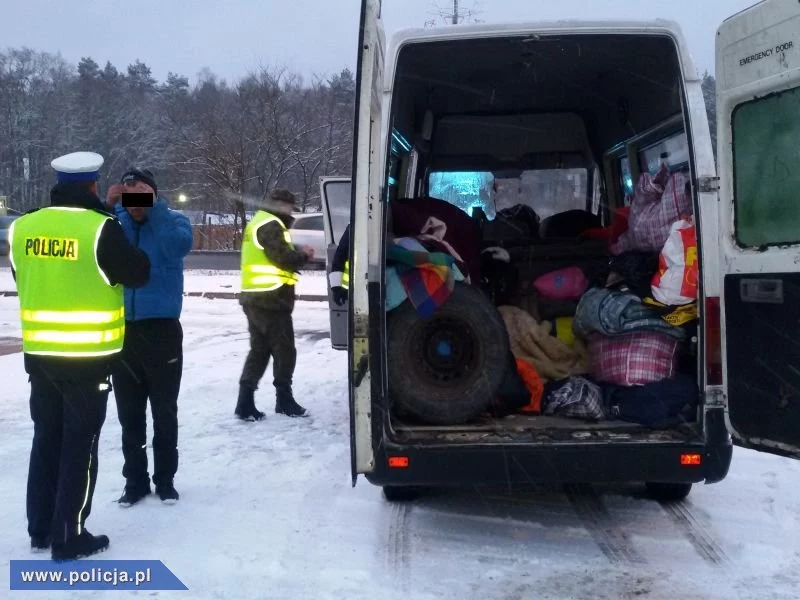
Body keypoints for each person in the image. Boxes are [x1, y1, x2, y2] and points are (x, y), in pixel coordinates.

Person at [9, 152, 150, 560]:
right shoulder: (101, 227)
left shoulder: (23, 226)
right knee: (80, 445)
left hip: (40, 357)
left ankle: (41, 527)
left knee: (46, 438)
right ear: (93, 185)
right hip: (88, 359)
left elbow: (25, 276)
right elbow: (138, 271)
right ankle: (69, 536)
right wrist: (114, 211)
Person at [105, 169, 193, 507]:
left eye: (140, 195)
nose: (135, 204)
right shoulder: (117, 223)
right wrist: (108, 206)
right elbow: (100, 248)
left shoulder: (174, 221)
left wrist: (154, 209)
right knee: (129, 414)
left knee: (164, 411)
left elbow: (177, 247)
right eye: (129, 196)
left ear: (154, 194)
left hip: (162, 332)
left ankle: (165, 480)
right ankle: (135, 481)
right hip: (124, 331)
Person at [235, 189, 314, 420]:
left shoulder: (259, 221)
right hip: (270, 300)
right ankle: (284, 400)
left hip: (256, 298)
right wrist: (305, 255)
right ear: (280, 205)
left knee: (259, 350)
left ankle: (245, 402)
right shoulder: (271, 225)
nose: (291, 212)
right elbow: (283, 258)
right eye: (290, 207)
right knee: (285, 350)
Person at [329, 223, 350, 307]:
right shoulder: (353, 226)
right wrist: (337, 288)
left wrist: (337, 288)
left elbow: (339, 257)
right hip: (356, 288)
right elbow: (340, 257)